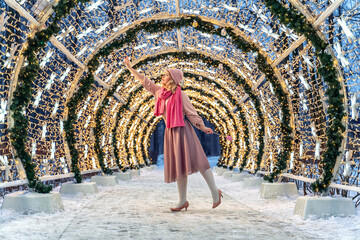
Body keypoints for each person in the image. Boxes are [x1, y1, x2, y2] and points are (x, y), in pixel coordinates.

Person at [124, 57, 222, 211]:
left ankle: (215, 193)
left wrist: (202, 127)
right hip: (170, 134)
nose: (162, 77)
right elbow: (144, 81)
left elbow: (192, 113)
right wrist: (130, 68)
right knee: (179, 167)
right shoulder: (159, 92)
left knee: (200, 161)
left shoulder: (181, 95)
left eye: (166, 75)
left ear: (173, 78)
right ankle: (183, 200)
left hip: (184, 131)